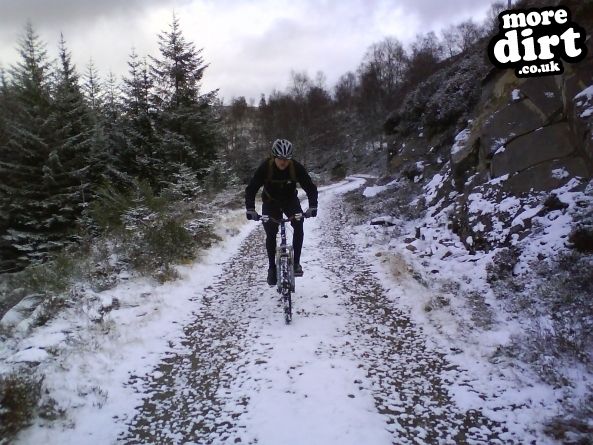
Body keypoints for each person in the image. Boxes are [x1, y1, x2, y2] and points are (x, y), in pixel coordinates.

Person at [245, 139, 318, 286]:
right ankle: (272, 268)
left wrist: (312, 206)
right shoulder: (266, 167)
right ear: (274, 157)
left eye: (286, 159)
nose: (283, 162)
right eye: (280, 159)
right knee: (271, 233)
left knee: (299, 224)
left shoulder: (295, 167)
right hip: (270, 202)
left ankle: (296, 263)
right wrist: (251, 209)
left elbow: (310, 187)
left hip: (290, 201)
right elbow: (251, 188)